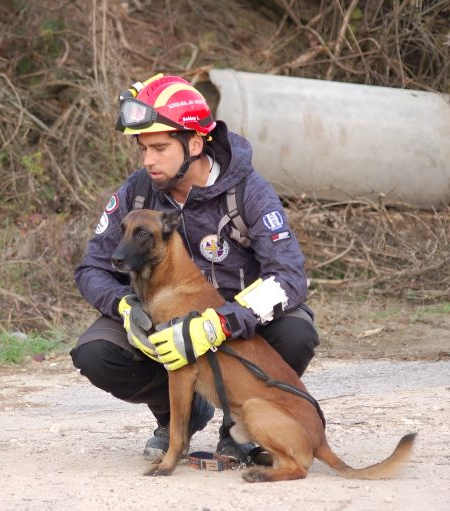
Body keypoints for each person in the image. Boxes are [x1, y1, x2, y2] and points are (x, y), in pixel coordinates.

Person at [70, 73, 320, 462]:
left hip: (236, 324)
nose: (148, 160)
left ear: (195, 143)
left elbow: (289, 277)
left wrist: (220, 323)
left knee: (295, 332)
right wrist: (124, 305)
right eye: (143, 149)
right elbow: (91, 269)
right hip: (159, 315)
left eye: (159, 148)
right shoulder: (136, 191)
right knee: (95, 354)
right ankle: (179, 415)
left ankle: (239, 428)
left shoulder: (249, 192)